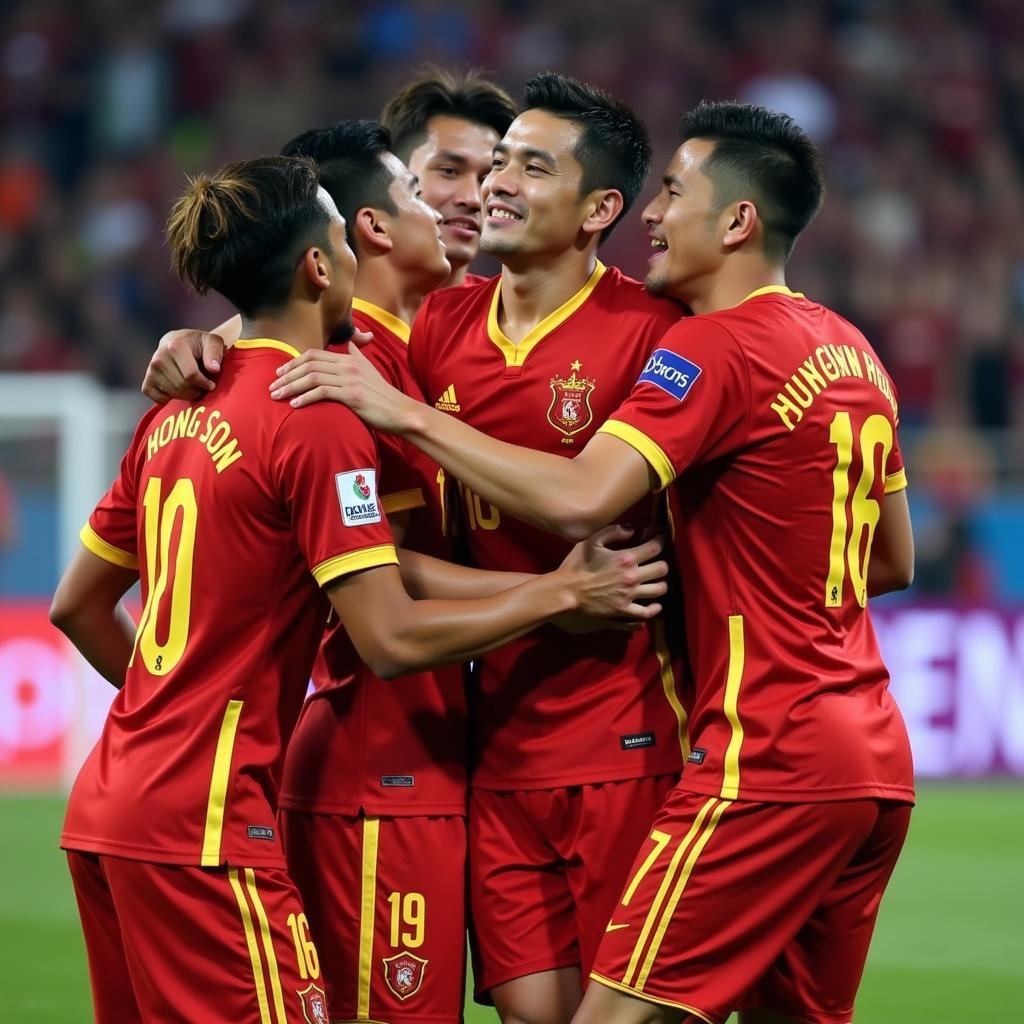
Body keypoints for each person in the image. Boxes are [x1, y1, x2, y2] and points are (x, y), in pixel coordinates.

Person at [272, 100, 917, 1024]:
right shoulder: (435, 331)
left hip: (647, 742)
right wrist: (206, 343)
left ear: (599, 210)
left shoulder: (669, 331)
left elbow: (583, 496)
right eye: (497, 163)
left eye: (533, 168)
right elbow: (887, 560)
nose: (496, 184)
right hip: (498, 749)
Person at [49, 154, 668, 1023]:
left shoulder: (173, 410)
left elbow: (74, 604)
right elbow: (389, 637)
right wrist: (559, 595)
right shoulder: (319, 416)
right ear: (320, 265)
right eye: (344, 237)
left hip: (108, 804)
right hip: (210, 822)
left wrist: (170, 707)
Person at [381, 65, 516, 288]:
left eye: (486, 178)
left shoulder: (516, 318)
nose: (473, 199)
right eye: (450, 171)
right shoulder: (328, 315)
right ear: (390, 173)